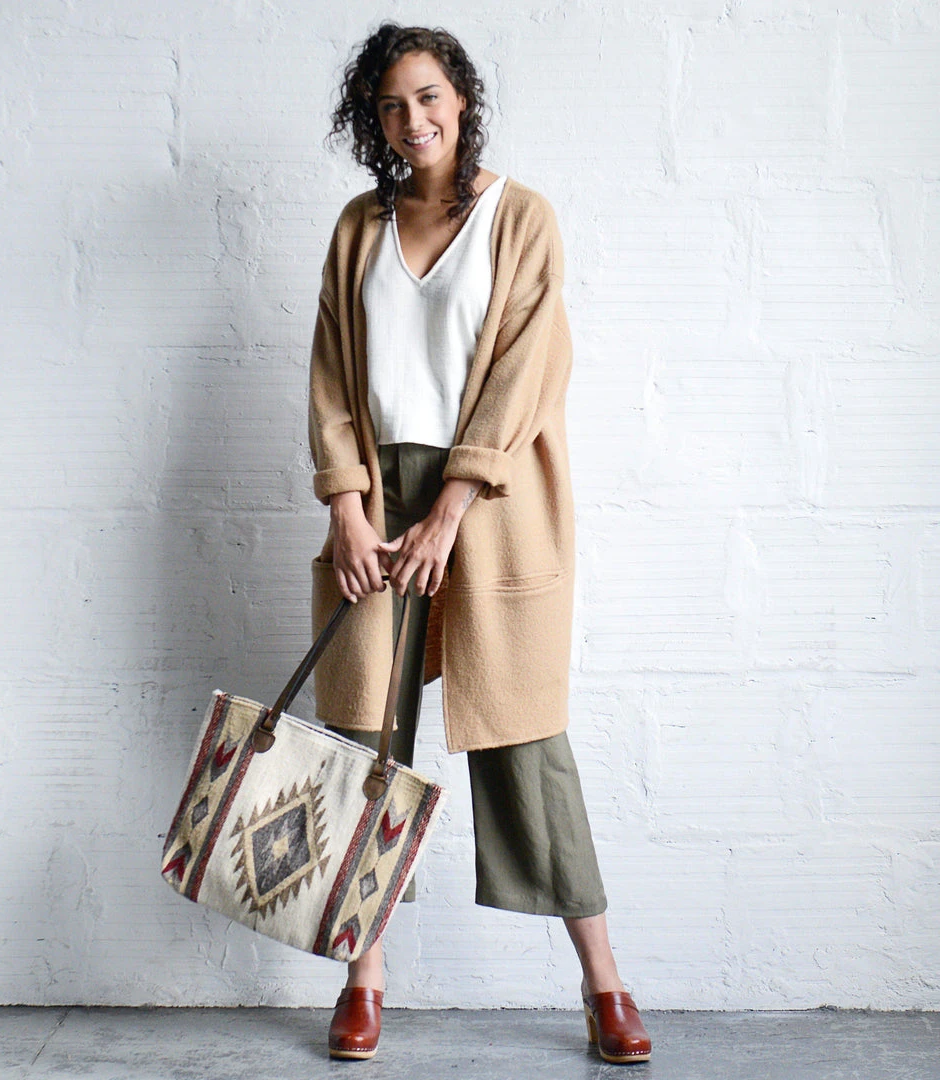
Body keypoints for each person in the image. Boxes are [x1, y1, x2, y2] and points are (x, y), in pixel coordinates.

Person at [306, 23, 652, 1066]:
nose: (413, 120)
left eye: (428, 97)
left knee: (524, 737)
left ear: (462, 98)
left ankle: (604, 982)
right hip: (379, 500)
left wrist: (450, 512)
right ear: (372, 121)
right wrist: (348, 508)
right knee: (365, 740)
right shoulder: (359, 226)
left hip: (490, 504)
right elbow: (331, 375)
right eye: (391, 106)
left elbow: (524, 374)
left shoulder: (521, 217)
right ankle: (364, 981)